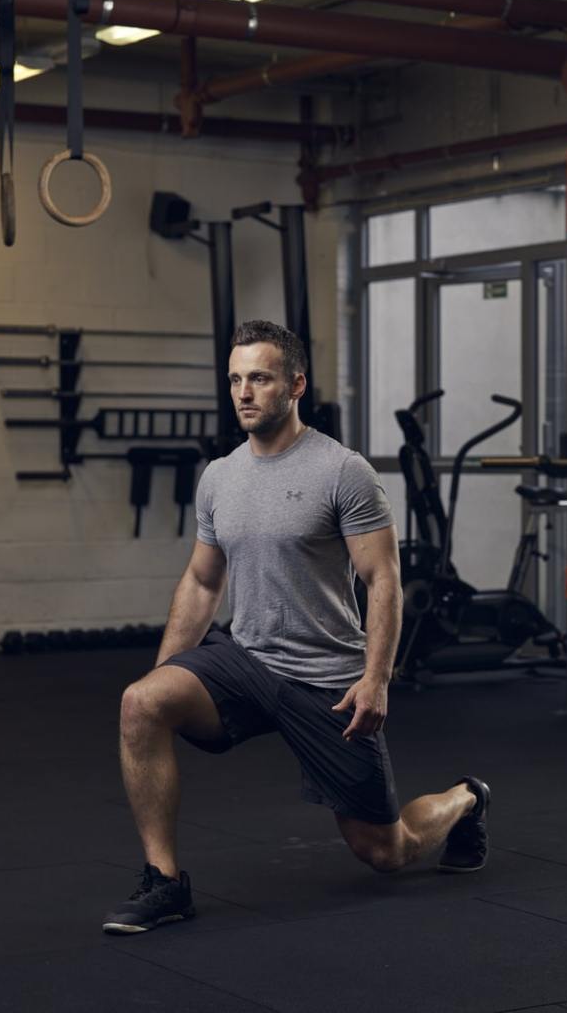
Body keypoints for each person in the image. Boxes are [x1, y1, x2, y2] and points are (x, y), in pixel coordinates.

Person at [102, 319, 490, 935]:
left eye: (259, 377)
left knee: (386, 852)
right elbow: (203, 582)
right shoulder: (221, 476)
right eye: (235, 379)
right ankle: (165, 883)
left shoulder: (343, 472)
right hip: (246, 660)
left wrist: (377, 679)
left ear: (296, 384)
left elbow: (383, 580)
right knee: (140, 705)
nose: (244, 392)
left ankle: (466, 798)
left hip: (326, 680)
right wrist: (167, 673)